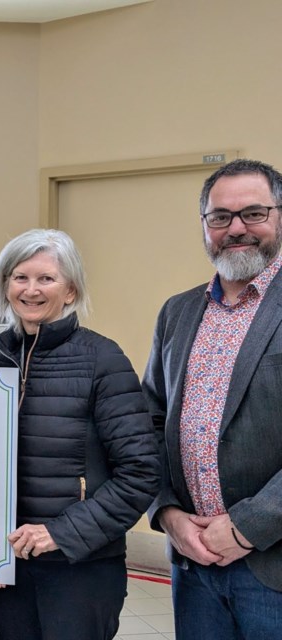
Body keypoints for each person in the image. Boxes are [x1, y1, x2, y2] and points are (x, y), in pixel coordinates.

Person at [0, 229, 160, 640]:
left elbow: (141, 473)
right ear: (5, 285)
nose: (31, 290)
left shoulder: (103, 359)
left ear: (71, 289)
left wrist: (59, 533)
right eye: (19, 277)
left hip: (81, 568)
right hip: (12, 565)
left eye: (46, 278)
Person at [143, 158, 282, 638]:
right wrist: (167, 513)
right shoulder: (178, 312)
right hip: (192, 563)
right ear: (205, 226)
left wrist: (246, 527)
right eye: (220, 217)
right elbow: (149, 419)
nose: (236, 228)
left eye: (254, 213)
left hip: (273, 566)